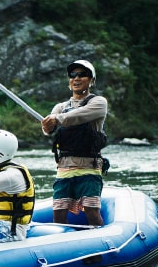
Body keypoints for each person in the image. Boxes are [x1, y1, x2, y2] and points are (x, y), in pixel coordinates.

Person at [40, 59, 109, 227]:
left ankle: (99, 245)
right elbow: (49, 130)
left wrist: (57, 118)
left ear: (91, 80)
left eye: (82, 75)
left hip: (89, 168)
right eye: (73, 75)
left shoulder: (98, 102)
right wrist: (47, 125)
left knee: (91, 211)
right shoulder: (60, 107)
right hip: (64, 168)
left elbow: (79, 116)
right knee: (58, 213)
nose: (76, 78)